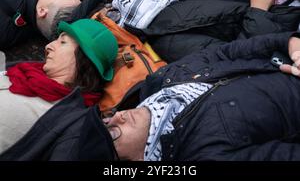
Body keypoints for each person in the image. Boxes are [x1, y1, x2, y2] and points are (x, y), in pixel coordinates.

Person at [3, 31, 300, 160]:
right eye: (114, 133)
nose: (118, 116)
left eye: (107, 117)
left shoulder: (156, 84)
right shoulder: (205, 152)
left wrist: (289, 42)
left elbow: (223, 53)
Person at [0, 18, 118, 155]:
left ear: (83, 58)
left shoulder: (66, 121)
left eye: (63, 42)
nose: (48, 46)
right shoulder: (27, 70)